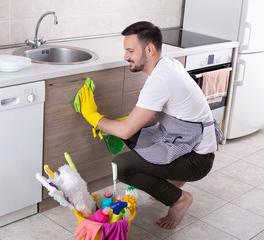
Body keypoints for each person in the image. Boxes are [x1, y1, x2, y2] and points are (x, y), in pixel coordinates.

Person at [79, 21, 223, 229]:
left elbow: (128, 129)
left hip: (197, 160)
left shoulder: (160, 80)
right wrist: (113, 126)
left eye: (130, 50)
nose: (125, 57)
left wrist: (94, 117)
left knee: (122, 167)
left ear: (149, 49)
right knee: (126, 132)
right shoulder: (168, 65)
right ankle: (174, 181)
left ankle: (179, 199)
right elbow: (145, 120)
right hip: (189, 144)